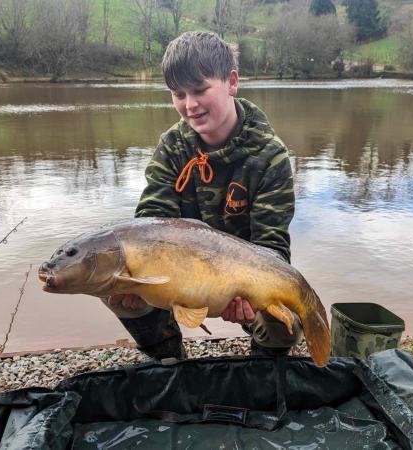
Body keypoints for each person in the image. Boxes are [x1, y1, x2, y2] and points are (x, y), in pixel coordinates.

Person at [104, 31, 302, 361]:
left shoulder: (270, 157)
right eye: (178, 94)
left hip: (243, 277)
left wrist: (245, 296)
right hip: (178, 280)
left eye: (199, 90)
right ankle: (167, 358)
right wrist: (137, 282)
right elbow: (150, 222)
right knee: (113, 281)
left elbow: (273, 248)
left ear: (232, 82)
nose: (189, 105)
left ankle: (265, 365)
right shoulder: (172, 147)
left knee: (288, 323)